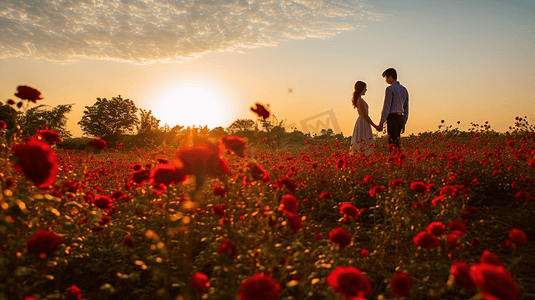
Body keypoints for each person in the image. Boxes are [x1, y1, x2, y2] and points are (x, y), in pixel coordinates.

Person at [377, 68, 409, 152]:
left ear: (390, 77)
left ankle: (395, 161)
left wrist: (382, 122)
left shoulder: (389, 89)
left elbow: (386, 107)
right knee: (397, 142)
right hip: (400, 118)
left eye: (386, 78)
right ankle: (398, 160)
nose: (386, 80)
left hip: (393, 118)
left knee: (392, 143)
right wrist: (404, 122)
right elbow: (406, 108)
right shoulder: (404, 90)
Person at [351, 81, 379, 156]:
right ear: (361, 89)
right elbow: (366, 115)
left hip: (363, 121)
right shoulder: (360, 100)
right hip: (363, 122)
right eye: (365, 88)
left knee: (364, 140)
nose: (366, 90)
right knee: (364, 140)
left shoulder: (360, 100)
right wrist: (375, 126)